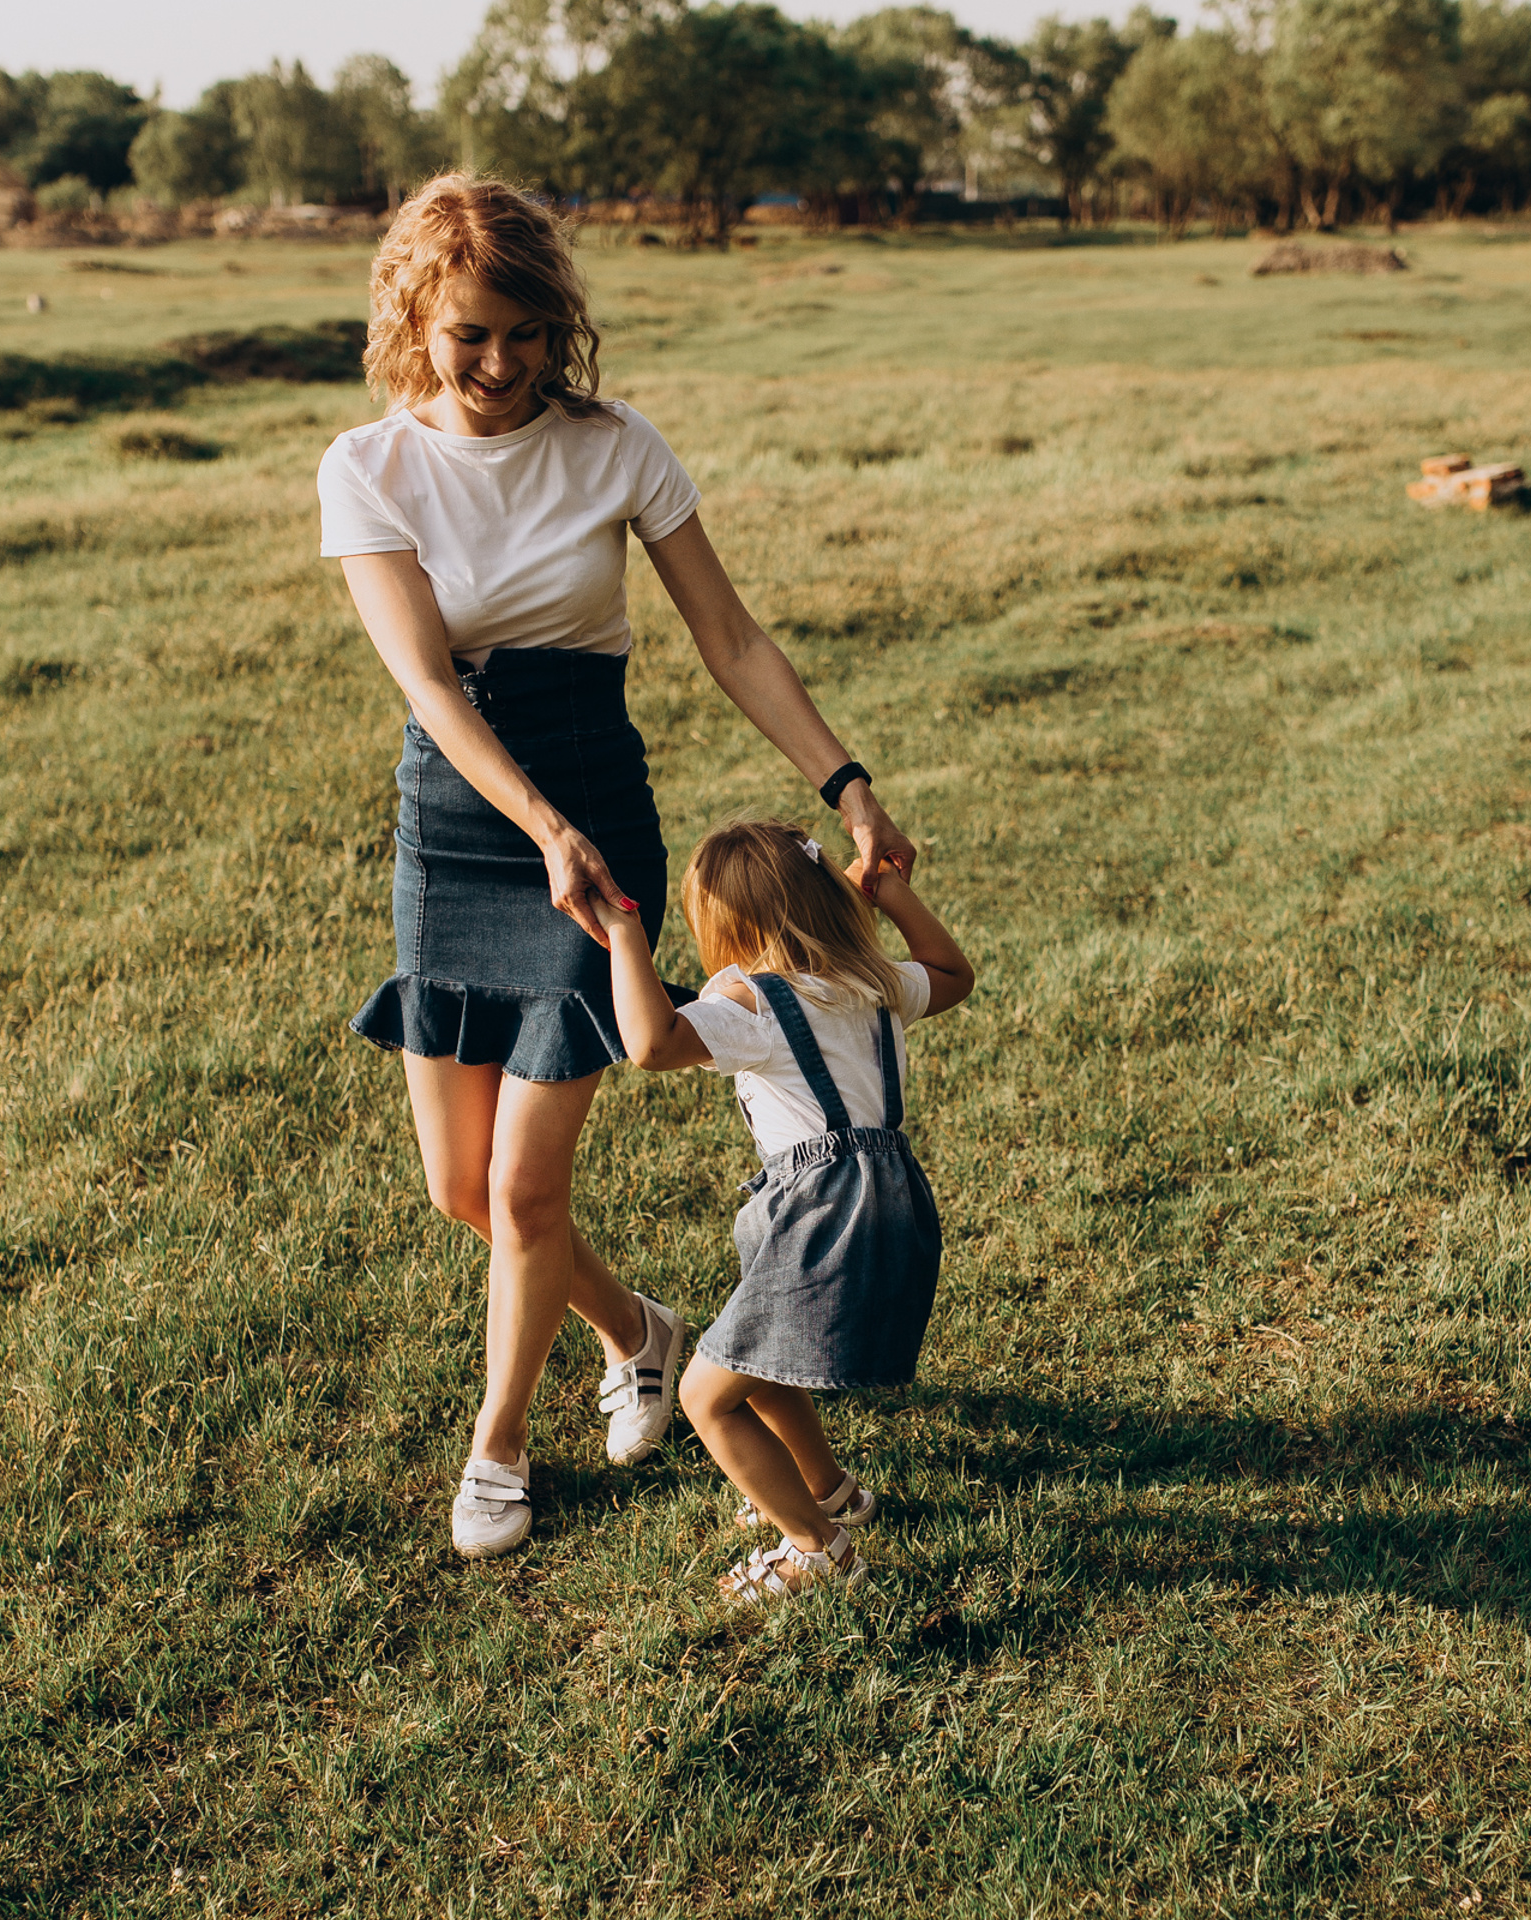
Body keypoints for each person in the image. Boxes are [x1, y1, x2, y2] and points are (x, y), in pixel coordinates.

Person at [316, 175, 916, 1560]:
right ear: (415, 318)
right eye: (473, 334)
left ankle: (499, 1450)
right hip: (467, 821)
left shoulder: (615, 446)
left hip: (599, 820)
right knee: (460, 1191)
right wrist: (534, 826)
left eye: (528, 334)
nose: (505, 364)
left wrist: (847, 781)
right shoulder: (369, 469)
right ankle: (641, 1331)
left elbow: (734, 639)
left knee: (526, 1191)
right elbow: (431, 685)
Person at [595, 818, 973, 1603]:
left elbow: (651, 1044)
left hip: (821, 1214)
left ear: (729, 927)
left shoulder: (753, 1002)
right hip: (888, 1202)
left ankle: (817, 1548)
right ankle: (829, 1490)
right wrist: (894, 893)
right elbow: (951, 970)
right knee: (762, 1366)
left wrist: (625, 933)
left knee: (703, 1397)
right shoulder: (872, 985)